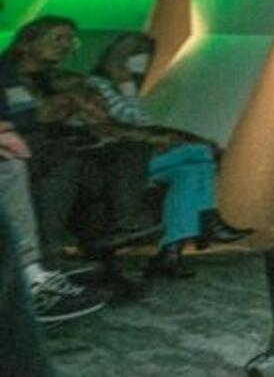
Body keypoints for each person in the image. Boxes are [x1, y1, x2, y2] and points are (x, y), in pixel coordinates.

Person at [2, 17, 158, 298]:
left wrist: (84, 109)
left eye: (70, 40)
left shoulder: (58, 79)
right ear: (26, 43)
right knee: (67, 165)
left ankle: (116, 236)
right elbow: (24, 120)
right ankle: (51, 260)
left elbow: (105, 118)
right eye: (58, 38)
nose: (66, 46)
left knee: (122, 153)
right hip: (27, 151)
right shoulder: (6, 75)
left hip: (54, 149)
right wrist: (51, 111)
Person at [84, 33, 251, 279]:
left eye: (145, 54)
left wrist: (129, 90)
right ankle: (208, 219)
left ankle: (170, 254)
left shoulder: (123, 86)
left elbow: (141, 122)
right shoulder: (96, 84)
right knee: (202, 152)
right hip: (117, 161)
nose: (142, 60)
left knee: (190, 172)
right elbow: (130, 119)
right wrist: (127, 85)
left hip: (138, 157)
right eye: (135, 54)